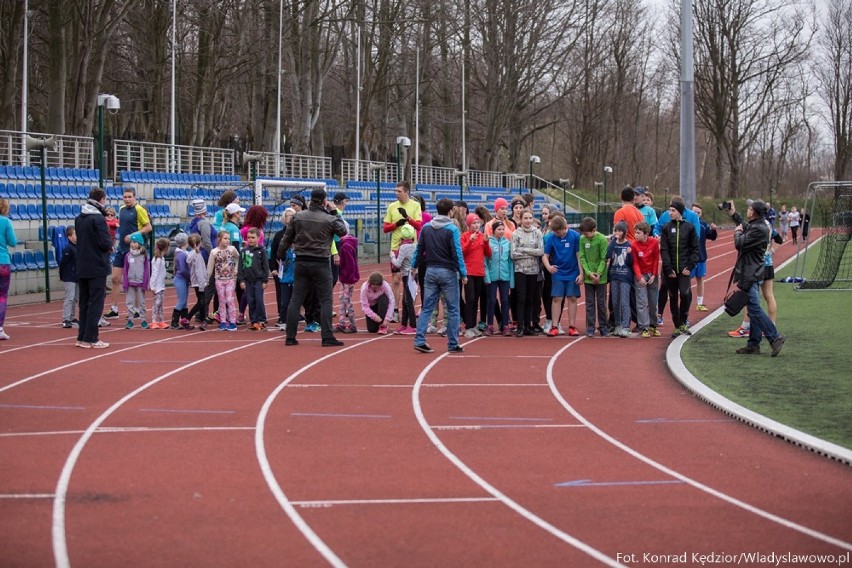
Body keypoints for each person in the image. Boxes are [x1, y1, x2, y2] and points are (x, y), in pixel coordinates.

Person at [278, 187, 348, 347]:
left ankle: (290, 336)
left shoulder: (298, 217)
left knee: (296, 300)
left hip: (301, 261)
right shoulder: (329, 219)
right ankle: (327, 336)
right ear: (324, 201)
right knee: (325, 300)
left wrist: (280, 255)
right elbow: (343, 231)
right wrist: (335, 212)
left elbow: (286, 239)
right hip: (321, 262)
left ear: (310, 199)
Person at [725, 200, 786, 356]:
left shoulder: (758, 229)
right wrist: (734, 214)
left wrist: (737, 232)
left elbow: (740, 243)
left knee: (754, 309)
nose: (747, 210)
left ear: (754, 212)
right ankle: (753, 344)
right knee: (753, 308)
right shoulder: (759, 225)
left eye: (749, 209)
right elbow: (745, 224)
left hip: (750, 273)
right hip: (753, 271)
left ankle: (774, 337)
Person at [411, 198, 467, 353]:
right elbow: (457, 252)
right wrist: (463, 272)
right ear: (450, 211)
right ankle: (452, 343)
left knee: (427, 307)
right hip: (448, 272)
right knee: (453, 308)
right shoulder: (452, 229)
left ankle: (420, 339)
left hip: (430, 270)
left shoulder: (427, 228)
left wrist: (413, 266)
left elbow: (419, 249)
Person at [105, 187, 151, 319]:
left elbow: (148, 227)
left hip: (135, 249)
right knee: (115, 278)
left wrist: (133, 235)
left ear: (135, 197)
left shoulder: (139, 210)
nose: (127, 199)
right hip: (121, 248)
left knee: (134, 280)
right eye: (125, 197)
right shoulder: (121, 209)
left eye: (130, 197)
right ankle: (114, 308)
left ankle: (136, 309)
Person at [74, 189, 112, 348]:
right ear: (102, 200)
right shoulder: (98, 219)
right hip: (97, 265)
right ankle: (92, 338)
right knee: (95, 303)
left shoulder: (79, 218)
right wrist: (110, 245)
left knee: (84, 302)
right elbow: (104, 243)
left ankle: (82, 337)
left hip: (82, 265)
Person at [383, 181, 422, 324]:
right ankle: (395, 311)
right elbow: (385, 228)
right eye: (396, 191)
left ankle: (409, 309)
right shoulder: (392, 206)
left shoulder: (415, 205)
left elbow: (419, 225)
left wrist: (408, 219)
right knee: (396, 279)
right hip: (396, 247)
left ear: (407, 192)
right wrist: (396, 224)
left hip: (411, 246)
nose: (397, 193)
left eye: (399, 191)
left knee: (411, 280)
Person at [660, 201, 699, 338]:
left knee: (684, 293)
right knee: (673, 296)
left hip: (684, 270)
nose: (670, 213)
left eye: (673, 210)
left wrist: (690, 266)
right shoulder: (666, 228)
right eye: (669, 210)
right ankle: (676, 326)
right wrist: (668, 268)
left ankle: (683, 321)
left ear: (680, 212)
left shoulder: (690, 228)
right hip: (670, 270)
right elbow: (664, 249)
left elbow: (695, 249)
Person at [542, 215, 584, 337]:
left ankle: (572, 326)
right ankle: (554, 326)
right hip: (558, 272)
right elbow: (545, 255)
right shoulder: (551, 237)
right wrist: (549, 267)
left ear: (565, 228)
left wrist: (581, 273)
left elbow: (578, 255)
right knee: (557, 298)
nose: (557, 233)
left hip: (572, 271)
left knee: (572, 298)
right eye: (555, 231)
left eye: (558, 231)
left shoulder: (575, 236)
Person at [511, 209, 544, 336]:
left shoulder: (538, 233)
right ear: (521, 219)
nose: (528, 220)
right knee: (521, 298)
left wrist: (523, 250)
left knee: (530, 299)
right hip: (520, 270)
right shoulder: (515, 234)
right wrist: (531, 251)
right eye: (525, 218)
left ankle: (528, 326)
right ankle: (520, 326)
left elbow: (540, 251)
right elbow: (514, 254)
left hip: (533, 270)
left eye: (530, 218)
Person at [461, 213, 491, 338]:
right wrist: (470, 241)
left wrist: (486, 243)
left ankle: (473, 326)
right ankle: (468, 326)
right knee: (470, 299)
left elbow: (488, 254)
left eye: (478, 223)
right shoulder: (464, 236)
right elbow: (462, 252)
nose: (476, 225)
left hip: (479, 272)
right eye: (474, 223)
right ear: (469, 224)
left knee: (476, 300)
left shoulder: (482, 236)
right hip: (469, 272)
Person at [578, 217, 609, 337]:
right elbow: (582, 257)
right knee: (590, 303)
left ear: (594, 229)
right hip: (588, 277)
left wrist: (599, 273)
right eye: (583, 234)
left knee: (601, 303)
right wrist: (588, 273)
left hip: (601, 277)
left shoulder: (602, 239)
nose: (585, 235)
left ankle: (603, 326)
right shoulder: (582, 239)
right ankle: (590, 327)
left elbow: (604, 258)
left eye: (587, 233)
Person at [484, 220, 513, 336]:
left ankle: (505, 325)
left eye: (503, 229)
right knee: (491, 301)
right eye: (499, 229)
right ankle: (490, 325)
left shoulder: (508, 243)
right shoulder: (489, 242)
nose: (501, 232)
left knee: (505, 301)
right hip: (492, 276)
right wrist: (487, 277)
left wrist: (511, 279)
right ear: (493, 230)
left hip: (505, 276)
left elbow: (510, 261)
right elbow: (485, 261)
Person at [632, 221, 661, 337]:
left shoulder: (654, 243)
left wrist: (654, 274)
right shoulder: (634, 245)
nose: (636, 235)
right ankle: (644, 327)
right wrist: (639, 277)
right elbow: (635, 263)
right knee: (642, 302)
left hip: (652, 275)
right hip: (641, 276)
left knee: (653, 302)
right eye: (635, 233)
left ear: (646, 234)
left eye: (638, 233)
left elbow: (655, 259)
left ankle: (653, 325)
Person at [238, 227, 270, 331]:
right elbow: (241, 267)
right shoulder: (243, 251)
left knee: (259, 300)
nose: (250, 239)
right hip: (248, 280)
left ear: (258, 238)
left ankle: (262, 320)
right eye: (248, 237)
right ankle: (254, 321)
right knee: (251, 301)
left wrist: (265, 280)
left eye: (253, 237)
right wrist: (241, 280)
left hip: (259, 280)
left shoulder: (262, 251)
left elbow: (265, 266)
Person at [208, 230, 240, 331]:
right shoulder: (214, 252)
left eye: (228, 239)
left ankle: (233, 321)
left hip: (230, 279)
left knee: (230, 300)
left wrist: (236, 269)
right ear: (219, 239)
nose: (227, 241)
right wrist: (207, 279)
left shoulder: (232, 249)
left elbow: (238, 259)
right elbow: (210, 267)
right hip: (219, 279)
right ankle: (222, 321)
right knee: (221, 300)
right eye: (225, 238)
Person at [606, 221, 634, 337]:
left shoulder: (629, 245)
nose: (617, 233)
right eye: (615, 230)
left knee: (624, 301)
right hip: (614, 275)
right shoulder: (613, 243)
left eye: (619, 231)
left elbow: (631, 262)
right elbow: (607, 255)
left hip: (625, 277)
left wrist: (630, 254)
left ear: (624, 232)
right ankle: (617, 325)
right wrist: (613, 240)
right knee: (615, 302)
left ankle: (626, 326)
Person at [269, 208, 295, 330]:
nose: (289, 217)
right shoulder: (279, 235)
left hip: (296, 270)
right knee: (282, 295)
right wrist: (273, 267)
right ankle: (282, 317)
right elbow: (273, 252)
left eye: (291, 215)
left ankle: (297, 316)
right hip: (282, 270)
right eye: (287, 215)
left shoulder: (299, 233)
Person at [390, 224, 417, 334]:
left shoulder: (403, 247)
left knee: (408, 300)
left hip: (407, 275)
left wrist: (392, 255)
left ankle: (413, 325)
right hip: (414, 274)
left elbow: (397, 264)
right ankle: (404, 324)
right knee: (406, 300)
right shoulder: (416, 245)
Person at [691, 203, 718, 311]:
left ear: (701, 214)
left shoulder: (703, 224)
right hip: (689, 258)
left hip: (701, 256)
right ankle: (685, 302)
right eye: (694, 212)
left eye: (698, 212)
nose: (696, 214)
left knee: (700, 279)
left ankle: (699, 303)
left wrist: (714, 229)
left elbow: (712, 237)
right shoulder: (687, 224)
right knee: (686, 281)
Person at [123, 233, 151, 329]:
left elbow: (147, 270)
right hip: (130, 282)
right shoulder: (128, 256)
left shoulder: (144, 256)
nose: (132, 244)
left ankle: (143, 319)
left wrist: (145, 282)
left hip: (140, 282)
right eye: (131, 242)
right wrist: (125, 282)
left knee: (141, 302)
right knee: (130, 302)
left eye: (134, 242)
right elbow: (125, 270)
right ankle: (130, 320)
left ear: (139, 243)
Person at [0, 198, 18, 340]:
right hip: (3, 262)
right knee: (2, 296)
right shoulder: (6, 222)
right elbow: (13, 242)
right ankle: (0, 328)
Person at [336, 233, 360, 333]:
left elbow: (350, 264)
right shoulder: (347, 244)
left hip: (347, 279)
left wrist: (348, 277)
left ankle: (352, 324)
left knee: (346, 300)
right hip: (345, 278)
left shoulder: (346, 246)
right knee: (342, 299)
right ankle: (341, 322)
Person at [185, 234, 209, 330]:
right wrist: (202, 283)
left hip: (199, 281)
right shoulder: (196, 254)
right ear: (199, 243)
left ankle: (203, 321)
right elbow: (198, 270)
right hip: (199, 282)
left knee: (201, 301)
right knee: (201, 302)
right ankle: (187, 318)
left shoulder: (195, 254)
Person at [59, 226, 79, 328]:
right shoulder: (68, 249)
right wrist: (62, 275)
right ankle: (66, 318)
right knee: (69, 298)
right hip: (69, 276)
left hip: (77, 276)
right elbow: (63, 263)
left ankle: (72, 317)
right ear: (70, 237)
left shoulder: (78, 247)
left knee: (75, 298)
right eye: (75, 234)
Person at [149, 238, 170, 329]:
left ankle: (161, 320)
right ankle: (153, 321)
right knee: (156, 303)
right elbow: (154, 273)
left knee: (161, 303)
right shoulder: (157, 260)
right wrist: (152, 285)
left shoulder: (162, 258)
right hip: (157, 286)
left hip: (161, 285)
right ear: (165, 248)